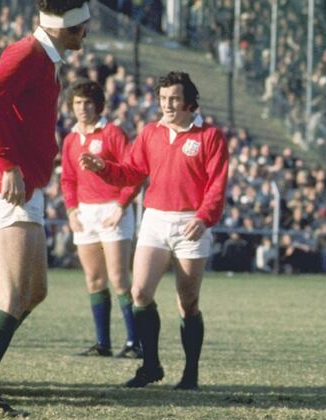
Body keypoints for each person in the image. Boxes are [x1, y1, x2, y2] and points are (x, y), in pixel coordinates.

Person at [0, 0, 90, 417]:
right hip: (5, 186)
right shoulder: (26, 53)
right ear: (66, 27)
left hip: (23, 187)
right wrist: (9, 162)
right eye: (82, 26)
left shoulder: (45, 57)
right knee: (12, 295)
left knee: (35, 292)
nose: (86, 32)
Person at [80, 71, 228, 390]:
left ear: (189, 101)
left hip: (192, 223)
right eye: (163, 99)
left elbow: (217, 184)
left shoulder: (210, 136)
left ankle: (190, 373)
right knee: (139, 293)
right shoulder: (150, 133)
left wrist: (203, 217)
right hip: (155, 220)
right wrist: (103, 168)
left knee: (187, 303)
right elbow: (132, 173)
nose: (167, 104)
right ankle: (151, 366)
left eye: (174, 98)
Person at [61, 79, 142, 359]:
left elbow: (133, 173)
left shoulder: (112, 133)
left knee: (119, 278)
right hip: (85, 212)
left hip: (112, 209)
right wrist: (71, 211)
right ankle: (103, 343)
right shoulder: (71, 139)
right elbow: (68, 179)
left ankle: (134, 342)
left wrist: (121, 205)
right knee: (94, 279)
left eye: (87, 103)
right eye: (77, 103)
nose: (82, 108)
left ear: (98, 105)